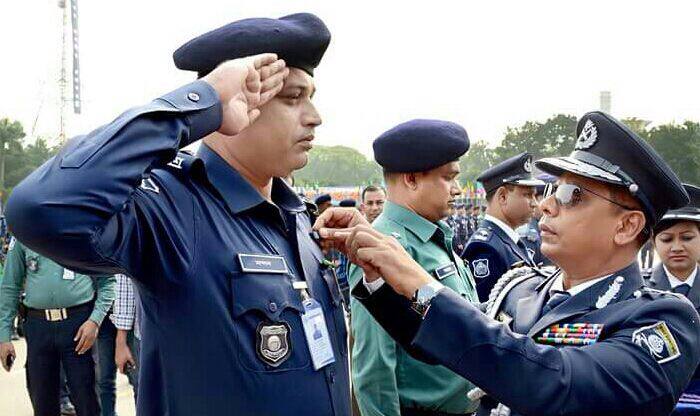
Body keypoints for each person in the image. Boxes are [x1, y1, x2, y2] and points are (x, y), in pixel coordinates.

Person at [6, 13, 350, 416]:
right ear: (236, 103)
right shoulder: (171, 207)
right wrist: (198, 103)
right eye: (292, 97)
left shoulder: (296, 217)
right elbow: (39, 209)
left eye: (311, 96)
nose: (314, 115)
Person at [317, 111, 700, 416]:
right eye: (552, 190)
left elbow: (553, 383)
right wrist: (379, 281)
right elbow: (451, 346)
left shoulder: (663, 322)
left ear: (627, 225)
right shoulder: (523, 290)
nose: (547, 205)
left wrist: (421, 284)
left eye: (571, 194)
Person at [349, 119, 479, 416]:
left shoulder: (432, 237)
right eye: (449, 178)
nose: (457, 189)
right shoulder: (384, 247)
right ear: (411, 179)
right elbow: (375, 367)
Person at [0, 238, 115, 416]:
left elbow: (107, 282)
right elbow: (9, 287)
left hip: (79, 327)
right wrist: (4, 336)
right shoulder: (25, 233)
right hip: (38, 328)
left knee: (88, 400)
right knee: (43, 402)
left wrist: (95, 320)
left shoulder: (83, 232)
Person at [646, 184, 700, 415]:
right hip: (654, 397)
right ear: (653, 243)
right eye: (667, 239)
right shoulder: (638, 289)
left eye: (687, 237)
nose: (677, 247)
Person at [462, 152, 543, 301]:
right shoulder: (486, 248)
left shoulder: (507, 240)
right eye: (527, 195)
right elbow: (487, 314)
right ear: (502, 197)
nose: (535, 203)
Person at [111, 274, 140, 404]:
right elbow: (125, 286)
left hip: (189, 334)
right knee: (145, 393)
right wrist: (121, 342)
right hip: (147, 337)